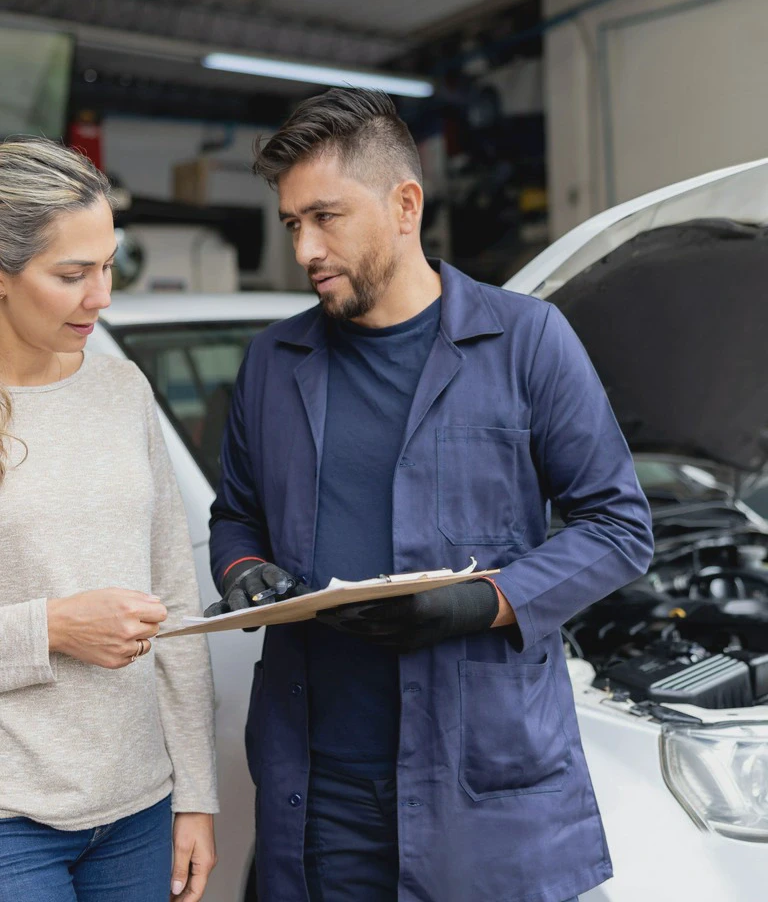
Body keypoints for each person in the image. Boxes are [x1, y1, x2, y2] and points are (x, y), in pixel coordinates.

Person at [208, 89, 654, 902]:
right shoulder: (275, 361)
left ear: (405, 204)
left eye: (326, 217)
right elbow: (235, 512)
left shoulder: (526, 342)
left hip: (479, 791)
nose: (305, 247)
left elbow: (620, 526)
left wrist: (482, 603)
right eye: (290, 224)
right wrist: (239, 566)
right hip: (320, 796)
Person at [0, 137, 218, 902]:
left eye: (108, 265)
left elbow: (176, 599)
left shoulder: (122, 388)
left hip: (138, 806)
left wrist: (195, 792)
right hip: (10, 819)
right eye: (72, 275)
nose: (103, 296)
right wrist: (52, 627)